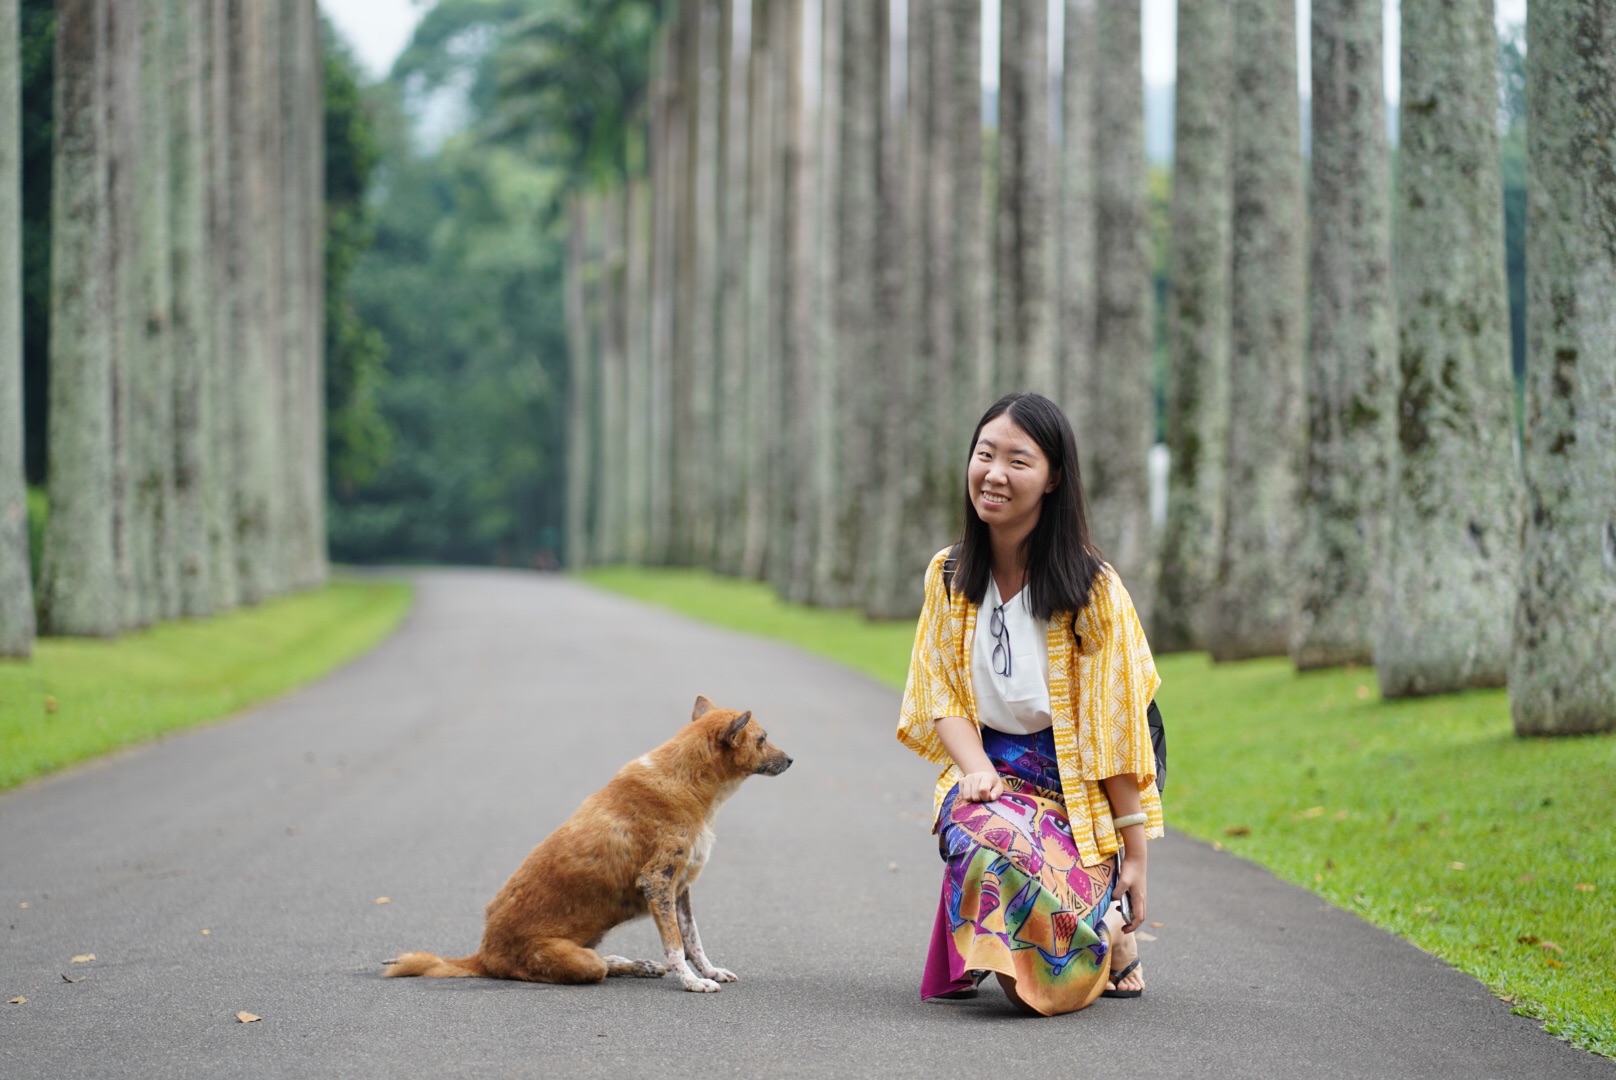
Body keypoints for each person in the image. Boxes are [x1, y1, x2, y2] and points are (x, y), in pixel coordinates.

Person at [896, 391, 1162, 1016]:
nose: (994, 474)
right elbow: (941, 693)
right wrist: (975, 771)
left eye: (1019, 461)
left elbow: (1115, 730)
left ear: (1053, 479)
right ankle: (1084, 930)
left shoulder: (1092, 589)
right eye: (985, 454)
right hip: (993, 770)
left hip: (1082, 784)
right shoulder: (949, 574)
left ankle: (1109, 930)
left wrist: (1136, 852)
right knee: (982, 834)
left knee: (1038, 993)